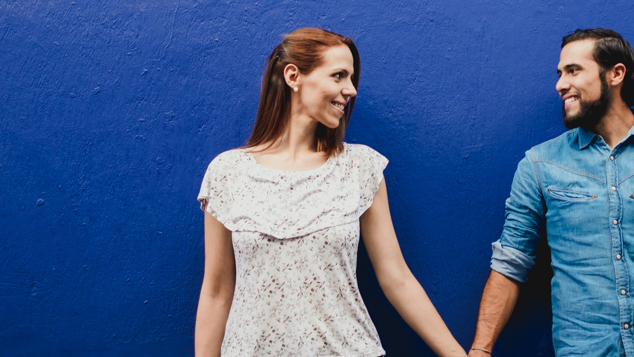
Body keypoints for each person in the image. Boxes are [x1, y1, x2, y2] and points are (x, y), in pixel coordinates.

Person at [195, 27, 466, 357]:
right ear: (293, 76)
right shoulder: (227, 173)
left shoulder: (359, 168)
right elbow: (217, 290)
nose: (350, 90)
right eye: (339, 76)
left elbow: (397, 278)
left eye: (351, 79)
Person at [470, 29, 634, 357]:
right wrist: (480, 350)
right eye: (560, 73)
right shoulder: (539, 165)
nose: (560, 84)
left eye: (574, 70)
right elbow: (510, 263)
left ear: (615, 74)